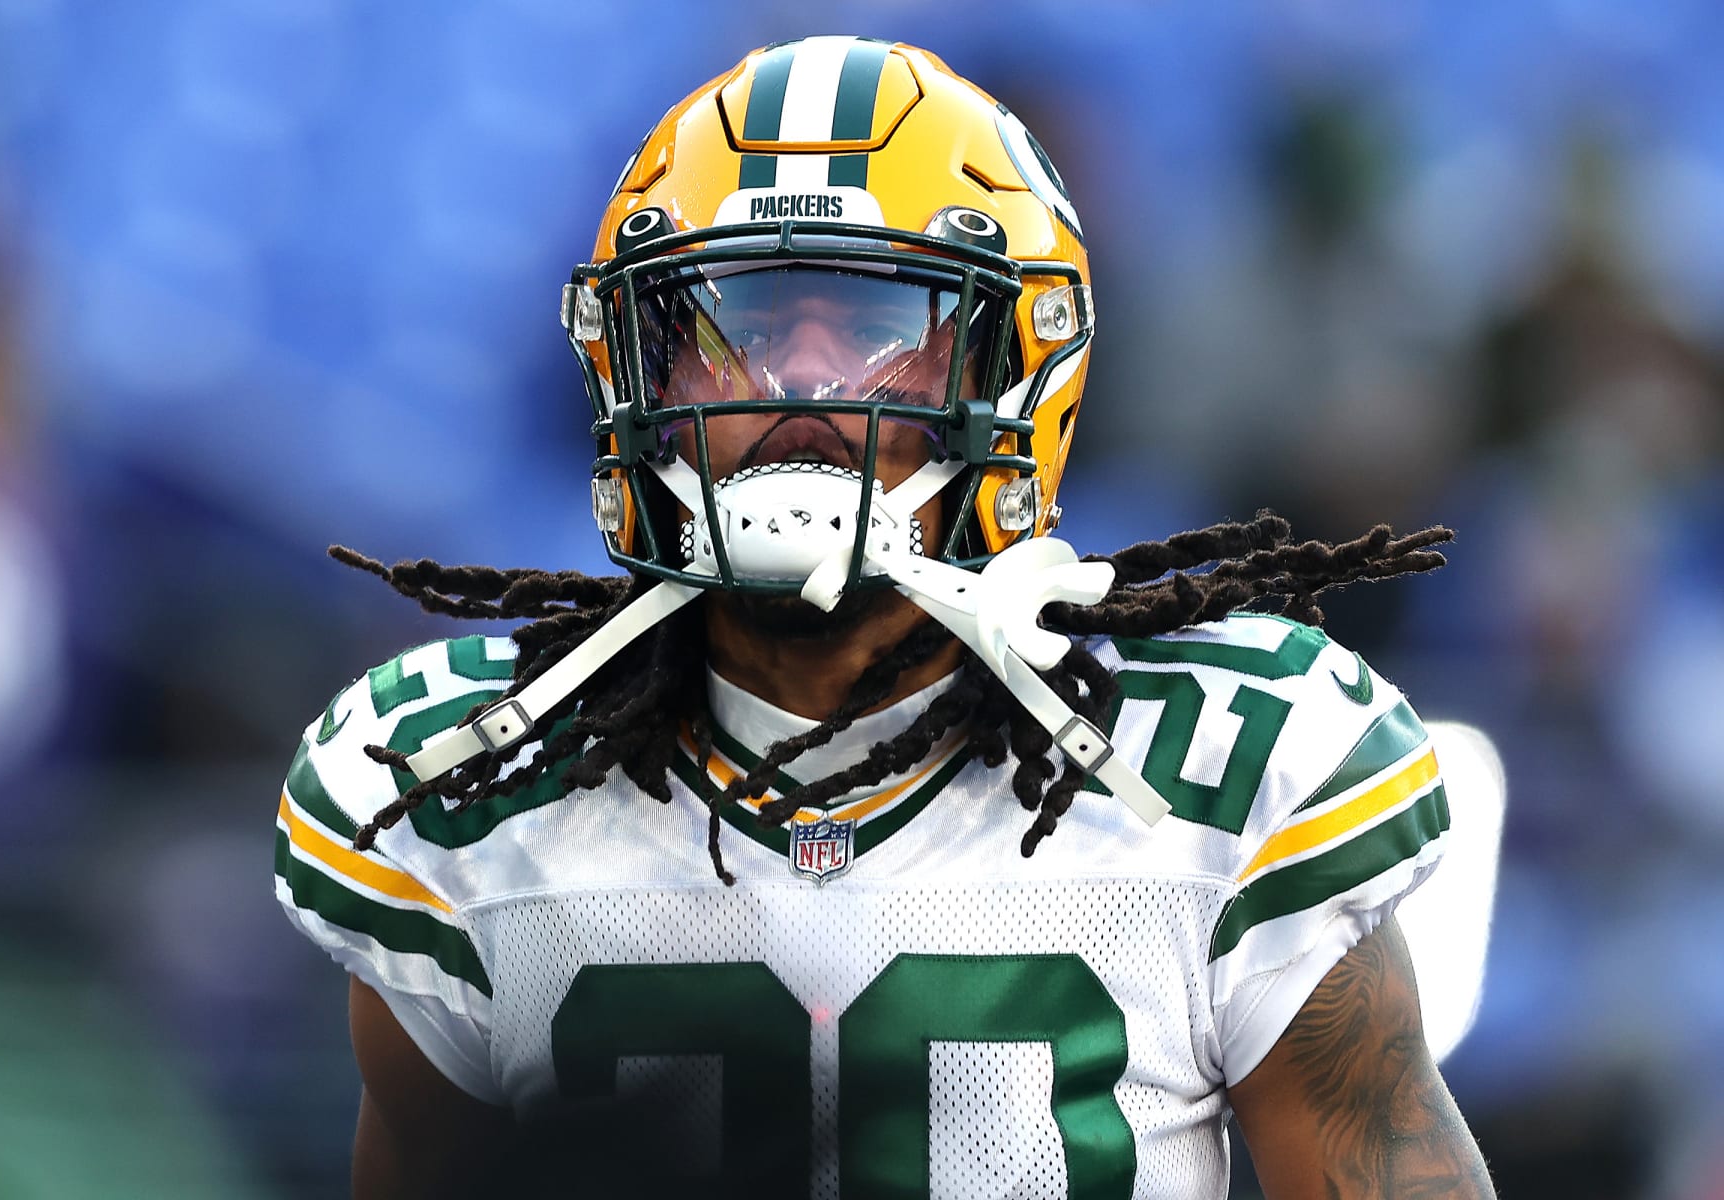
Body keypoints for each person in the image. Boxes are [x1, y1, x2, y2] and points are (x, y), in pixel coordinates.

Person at [275, 37, 1496, 1198]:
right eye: (736, 331)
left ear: (1018, 369)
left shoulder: (1222, 768)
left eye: (875, 332)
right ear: (633, 369)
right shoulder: (473, 783)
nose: (803, 390)